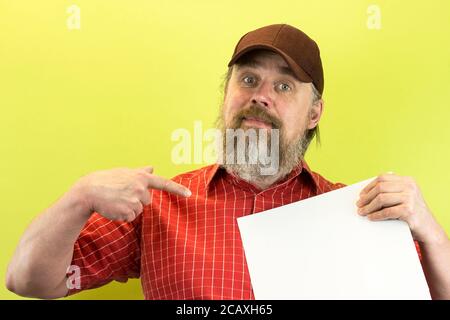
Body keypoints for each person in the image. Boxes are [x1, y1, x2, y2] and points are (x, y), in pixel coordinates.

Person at [6, 24, 450, 300]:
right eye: (249, 79)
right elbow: (28, 281)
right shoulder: (157, 207)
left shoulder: (357, 212)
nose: (260, 95)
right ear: (226, 96)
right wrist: (79, 197)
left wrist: (429, 230)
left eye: (284, 87)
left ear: (314, 113)